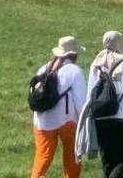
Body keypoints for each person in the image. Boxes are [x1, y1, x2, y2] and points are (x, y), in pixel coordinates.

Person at [86, 31, 123, 178]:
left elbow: (90, 93)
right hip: (122, 117)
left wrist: (89, 117)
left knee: (108, 161)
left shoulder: (95, 63)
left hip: (100, 118)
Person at [32, 36, 89, 178]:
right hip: (66, 121)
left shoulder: (43, 69)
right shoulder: (74, 71)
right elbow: (80, 101)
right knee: (72, 156)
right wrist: (85, 124)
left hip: (41, 120)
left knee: (43, 156)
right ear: (74, 54)